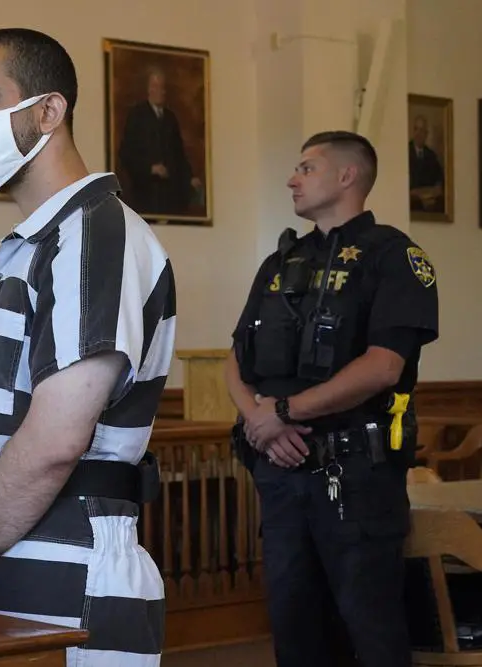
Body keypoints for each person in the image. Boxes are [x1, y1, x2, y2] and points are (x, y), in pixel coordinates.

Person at [0, 28, 177, 667]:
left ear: (49, 110)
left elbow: (53, 445)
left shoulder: (93, 233)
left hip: (69, 559)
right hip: (12, 546)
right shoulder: (41, 239)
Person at [225, 130, 439, 667]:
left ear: (347, 177)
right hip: (280, 469)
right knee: (294, 628)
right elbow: (236, 356)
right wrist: (259, 420)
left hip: (356, 475)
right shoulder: (281, 262)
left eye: (307, 167)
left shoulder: (393, 256)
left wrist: (281, 415)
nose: (292, 178)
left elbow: (383, 366)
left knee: (369, 629)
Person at [117, 66, 201, 216]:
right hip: (145, 191)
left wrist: (190, 178)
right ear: (149, 89)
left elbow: (179, 154)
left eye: (162, 87)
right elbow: (127, 154)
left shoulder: (170, 118)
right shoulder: (137, 116)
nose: (160, 91)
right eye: (155, 86)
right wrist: (150, 168)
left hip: (169, 192)